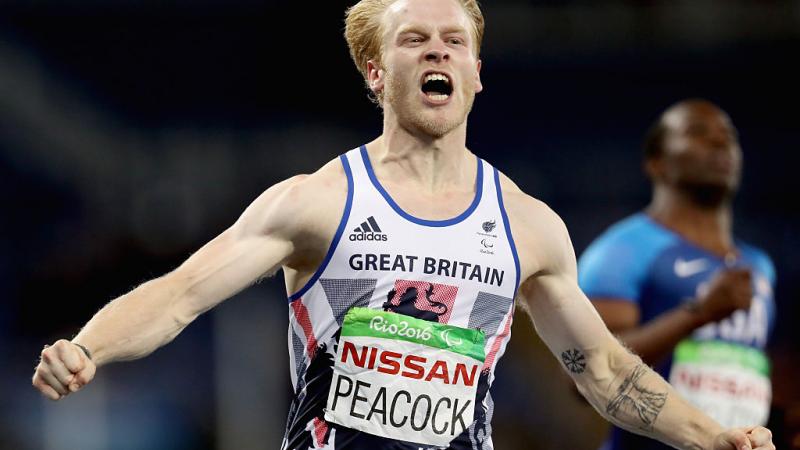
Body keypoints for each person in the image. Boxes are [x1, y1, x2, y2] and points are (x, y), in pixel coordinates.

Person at [32, 2, 775, 449]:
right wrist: (88, 347)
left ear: (478, 72)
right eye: (415, 40)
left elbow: (607, 373)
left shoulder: (527, 226)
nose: (437, 51)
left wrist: (719, 439)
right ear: (376, 73)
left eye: (453, 40)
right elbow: (180, 293)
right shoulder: (315, 202)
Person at [579, 99, 776, 450]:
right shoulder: (621, 251)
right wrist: (697, 314)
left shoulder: (759, 266)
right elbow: (584, 376)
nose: (720, 143)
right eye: (697, 133)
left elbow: (738, 378)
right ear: (658, 163)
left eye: (728, 136)